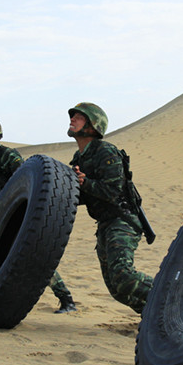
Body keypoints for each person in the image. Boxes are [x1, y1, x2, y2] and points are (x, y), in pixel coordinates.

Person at [0, 118, 78, 314]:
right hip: (8, 212)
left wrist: (3, 195)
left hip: (22, 212)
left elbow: (26, 179)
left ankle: (66, 299)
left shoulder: (6, 155)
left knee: (32, 256)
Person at [67, 103, 153, 314]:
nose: (73, 120)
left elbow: (113, 191)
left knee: (124, 278)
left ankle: (175, 294)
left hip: (122, 220)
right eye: (74, 116)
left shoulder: (105, 151)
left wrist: (84, 183)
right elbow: (85, 195)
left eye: (79, 117)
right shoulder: (80, 158)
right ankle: (155, 317)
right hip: (105, 224)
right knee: (118, 290)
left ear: (92, 125)